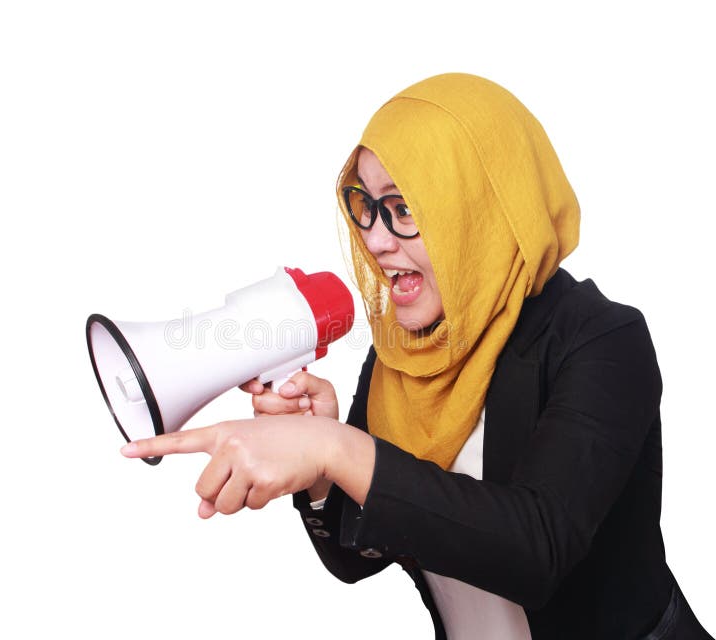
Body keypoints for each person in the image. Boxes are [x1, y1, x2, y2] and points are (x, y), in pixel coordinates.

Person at [121, 74, 713, 639]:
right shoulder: (401, 356)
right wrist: (324, 468)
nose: (376, 241)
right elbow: (356, 560)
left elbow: (537, 550)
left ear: (482, 210)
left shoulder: (602, 340)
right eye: (367, 206)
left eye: (405, 210)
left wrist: (338, 448)